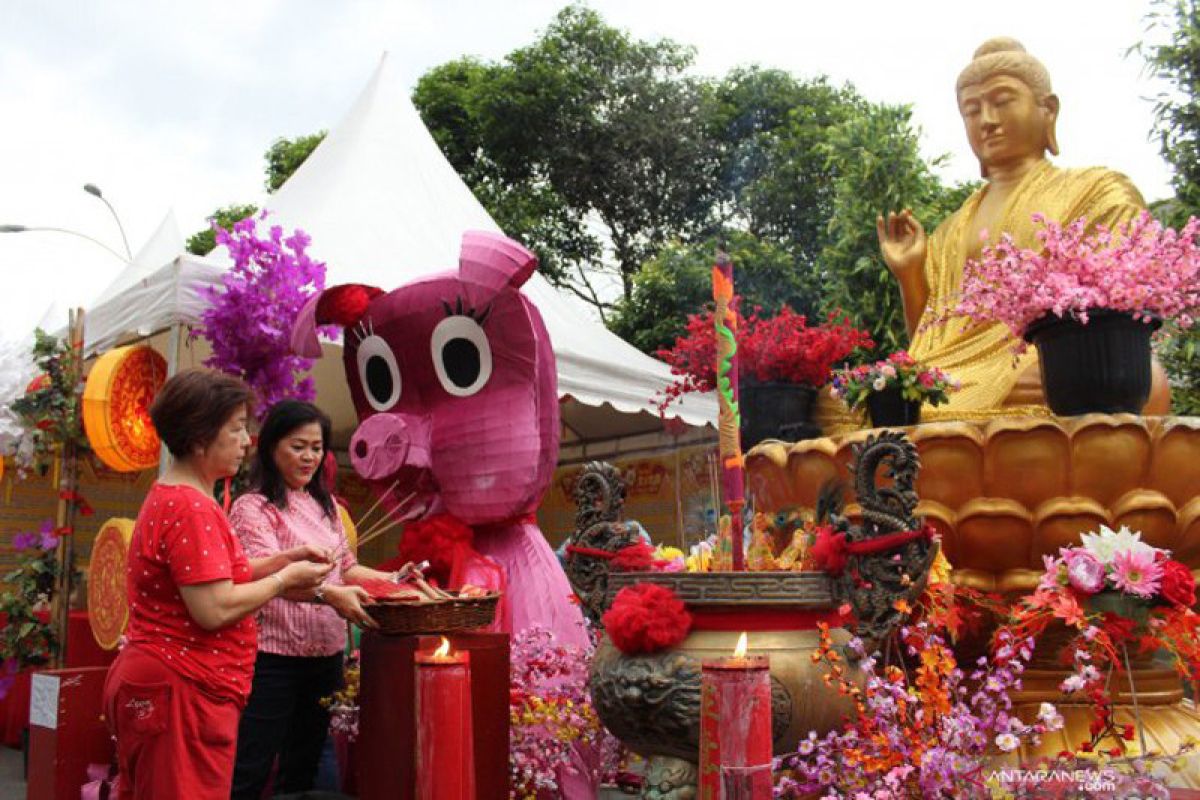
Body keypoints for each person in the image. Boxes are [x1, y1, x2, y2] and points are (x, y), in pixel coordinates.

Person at [819, 37, 1170, 431]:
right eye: (972, 109)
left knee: (1133, 380)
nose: (986, 119)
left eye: (1002, 101)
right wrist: (910, 273)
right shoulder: (952, 229)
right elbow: (932, 340)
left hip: (1038, 363)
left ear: (1048, 110)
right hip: (960, 376)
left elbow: (1119, 325)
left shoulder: (1098, 191)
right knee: (839, 405)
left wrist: (1052, 360)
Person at [103, 370, 333, 800]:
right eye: (236, 429)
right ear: (198, 437)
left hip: (165, 680)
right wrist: (284, 580)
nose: (247, 441)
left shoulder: (175, 495)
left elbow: (215, 576)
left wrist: (282, 560)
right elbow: (213, 608)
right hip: (179, 687)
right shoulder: (192, 507)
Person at [228, 400, 405, 799]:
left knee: (304, 769)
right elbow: (269, 576)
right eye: (298, 446)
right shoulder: (254, 507)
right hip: (273, 658)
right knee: (251, 765)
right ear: (272, 446)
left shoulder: (325, 506)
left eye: (316, 446)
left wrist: (395, 580)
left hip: (325, 655)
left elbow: (347, 568)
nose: (309, 456)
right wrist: (330, 594)